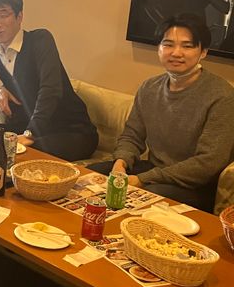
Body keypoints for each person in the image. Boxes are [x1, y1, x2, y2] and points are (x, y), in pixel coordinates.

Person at [88, 14, 234, 212]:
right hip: (154, 171)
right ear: (159, 48)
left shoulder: (222, 96)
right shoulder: (149, 87)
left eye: (187, 46)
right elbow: (132, 135)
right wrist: (120, 163)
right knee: (88, 176)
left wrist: (142, 179)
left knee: (143, 200)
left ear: (203, 52)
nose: (176, 53)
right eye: (168, 44)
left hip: (195, 186)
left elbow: (207, 164)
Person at [0, 0, 97, 161]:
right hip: (32, 127)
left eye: (4, 15)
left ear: (19, 16)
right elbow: (21, 81)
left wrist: (30, 134)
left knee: (18, 155)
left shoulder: (40, 40)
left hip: (71, 131)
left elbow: (50, 90)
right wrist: (2, 89)